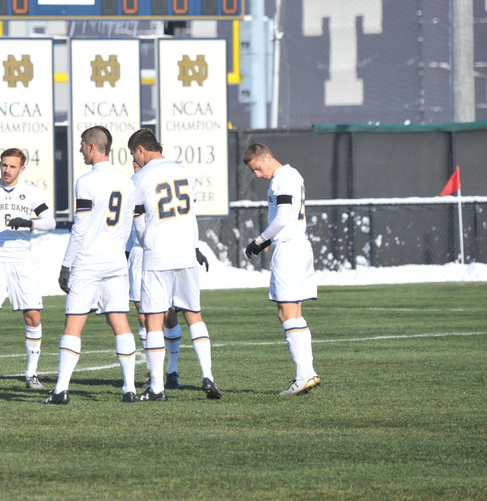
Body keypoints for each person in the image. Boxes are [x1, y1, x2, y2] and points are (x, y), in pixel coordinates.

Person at [44, 126, 139, 404]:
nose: (80, 150)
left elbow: (80, 228)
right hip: (115, 261)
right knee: (120, 322)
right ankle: (129, 389)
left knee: (73, 325)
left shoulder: (86, 182)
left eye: (82, 146)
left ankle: (60, 390)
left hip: (88, 261)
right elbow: (126, 226)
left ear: (91, 147)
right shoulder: (127, 182)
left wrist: (66, 266)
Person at [128, 128, 221, 401]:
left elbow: (139, 225)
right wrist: (193, 246)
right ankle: (208, 375)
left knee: (154, 320)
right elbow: (190, 214)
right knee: (194, 315)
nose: (136, 158)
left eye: (134, 153)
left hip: (158, 254)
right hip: (185, 253)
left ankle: (157, 387)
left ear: (141, 150)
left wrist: (149, 244)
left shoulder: (139, 177)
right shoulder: (183, 171)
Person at [0, 148, 56, 390]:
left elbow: (51, 222)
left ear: (22, 169)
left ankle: (31, 373)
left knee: (33, 316)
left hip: (22, 260)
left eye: (12, 166)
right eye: (4, 165)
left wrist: (30, 222)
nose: (6, 170)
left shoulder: (30, 192)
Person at [242, 142, 320, 395]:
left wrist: (259, 241)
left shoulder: (282, 178)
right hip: (299, 247)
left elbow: (283, 217)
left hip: (289, 249)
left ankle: (304, 374)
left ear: (268, 157)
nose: (257, 174)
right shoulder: (292, 174)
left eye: (257, 168)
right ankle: (307, 373)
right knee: (294, 313)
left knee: (286, 314)